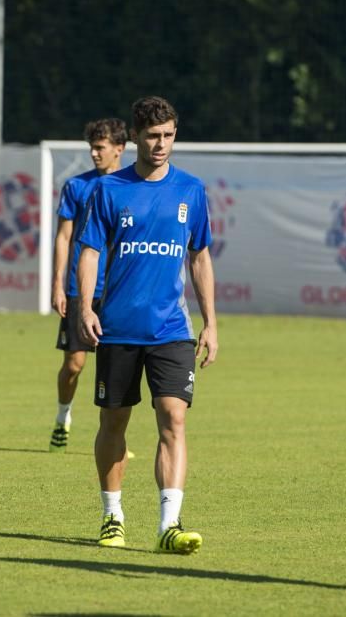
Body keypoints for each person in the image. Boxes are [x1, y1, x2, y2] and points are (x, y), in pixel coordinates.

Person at [77, 96, 218, 554]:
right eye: (153, 136)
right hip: (117, 328)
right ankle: (112, 515)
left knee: (173, 417)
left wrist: (211, 323)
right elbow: (91, 251)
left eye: (169, 135)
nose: (161, 144)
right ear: (135, 136)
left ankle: (168, 525)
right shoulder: (108, 190)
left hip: (172, 330)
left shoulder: (191, 190)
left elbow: (200, 257)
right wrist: (85, 307)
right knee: (113, 421)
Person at [49, 118, 127, 453]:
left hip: (118, 291)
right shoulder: (77, 187)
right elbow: (64, 237)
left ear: (119, 149)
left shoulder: (132, 187)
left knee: (113, 371)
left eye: (101, 147)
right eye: (91, 148)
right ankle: (62, 416)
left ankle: (112, 438)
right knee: (75, 365)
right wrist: (56, 284)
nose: (94, 154)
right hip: (80, 290)